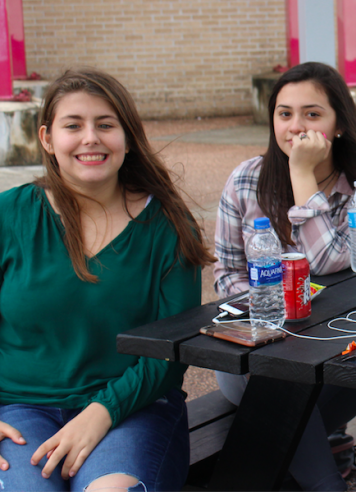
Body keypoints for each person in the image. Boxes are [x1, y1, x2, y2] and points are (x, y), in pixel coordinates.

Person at [0, 69, 214, 491]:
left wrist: (102, 412)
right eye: (73, 125)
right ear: (47, 138)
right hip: (22, 409)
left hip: (134, 408)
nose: (90, 138)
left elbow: (171, 349)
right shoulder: (10, 215)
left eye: (105, 124)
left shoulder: (168, 225)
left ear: (128, 137)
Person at [213, 62, 356, 491]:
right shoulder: (246, 180)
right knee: (277, 392)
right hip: (254, 354)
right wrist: (277, 307)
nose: (296, 127)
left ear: (339, 125)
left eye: (312, 114)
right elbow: (225, 276)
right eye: (284, 114)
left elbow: (332, 262)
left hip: (338, 347)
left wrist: (302, 176)